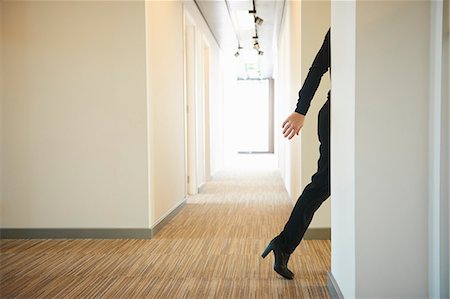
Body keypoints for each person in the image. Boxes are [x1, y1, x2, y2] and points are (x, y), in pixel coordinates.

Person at [261, 28, 331, 280]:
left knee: (327, 184)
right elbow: (317, 70)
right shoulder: (343, 26)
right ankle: (284, 243)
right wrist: (300, 111)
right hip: (336, 114)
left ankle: (283, 244)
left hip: (351, 113)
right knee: (325, 182)